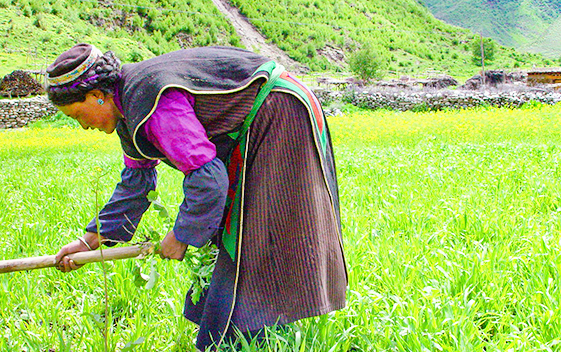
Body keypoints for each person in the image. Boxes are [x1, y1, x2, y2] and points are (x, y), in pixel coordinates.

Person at [48, 43, 347, 350]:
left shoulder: (152, 103)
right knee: (240, 231)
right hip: (261, 120)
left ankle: (242, 338)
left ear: (98, 96)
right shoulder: (127, 111)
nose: (83, 125)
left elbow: (207, 177)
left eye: (76, 115)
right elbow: (136, 184)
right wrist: (89, 240)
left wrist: (182, 235)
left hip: (279, 113)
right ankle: (239, 336)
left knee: (253, 231)